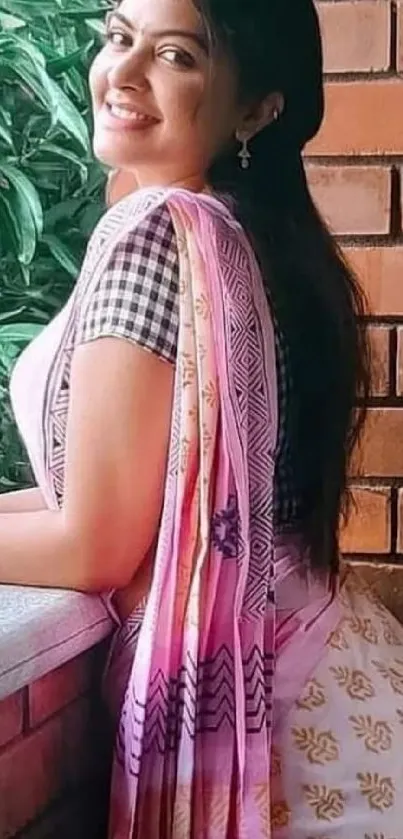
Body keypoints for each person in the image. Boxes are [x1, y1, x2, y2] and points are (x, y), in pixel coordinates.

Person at [1, 0, 403, 835]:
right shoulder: (266, 240)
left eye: (177, 55)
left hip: (275, 740)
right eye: (118, 37)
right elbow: (137, 490)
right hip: (339, 679)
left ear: (257, 107)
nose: (124, 72)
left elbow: (95, 544)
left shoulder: (157, 237)